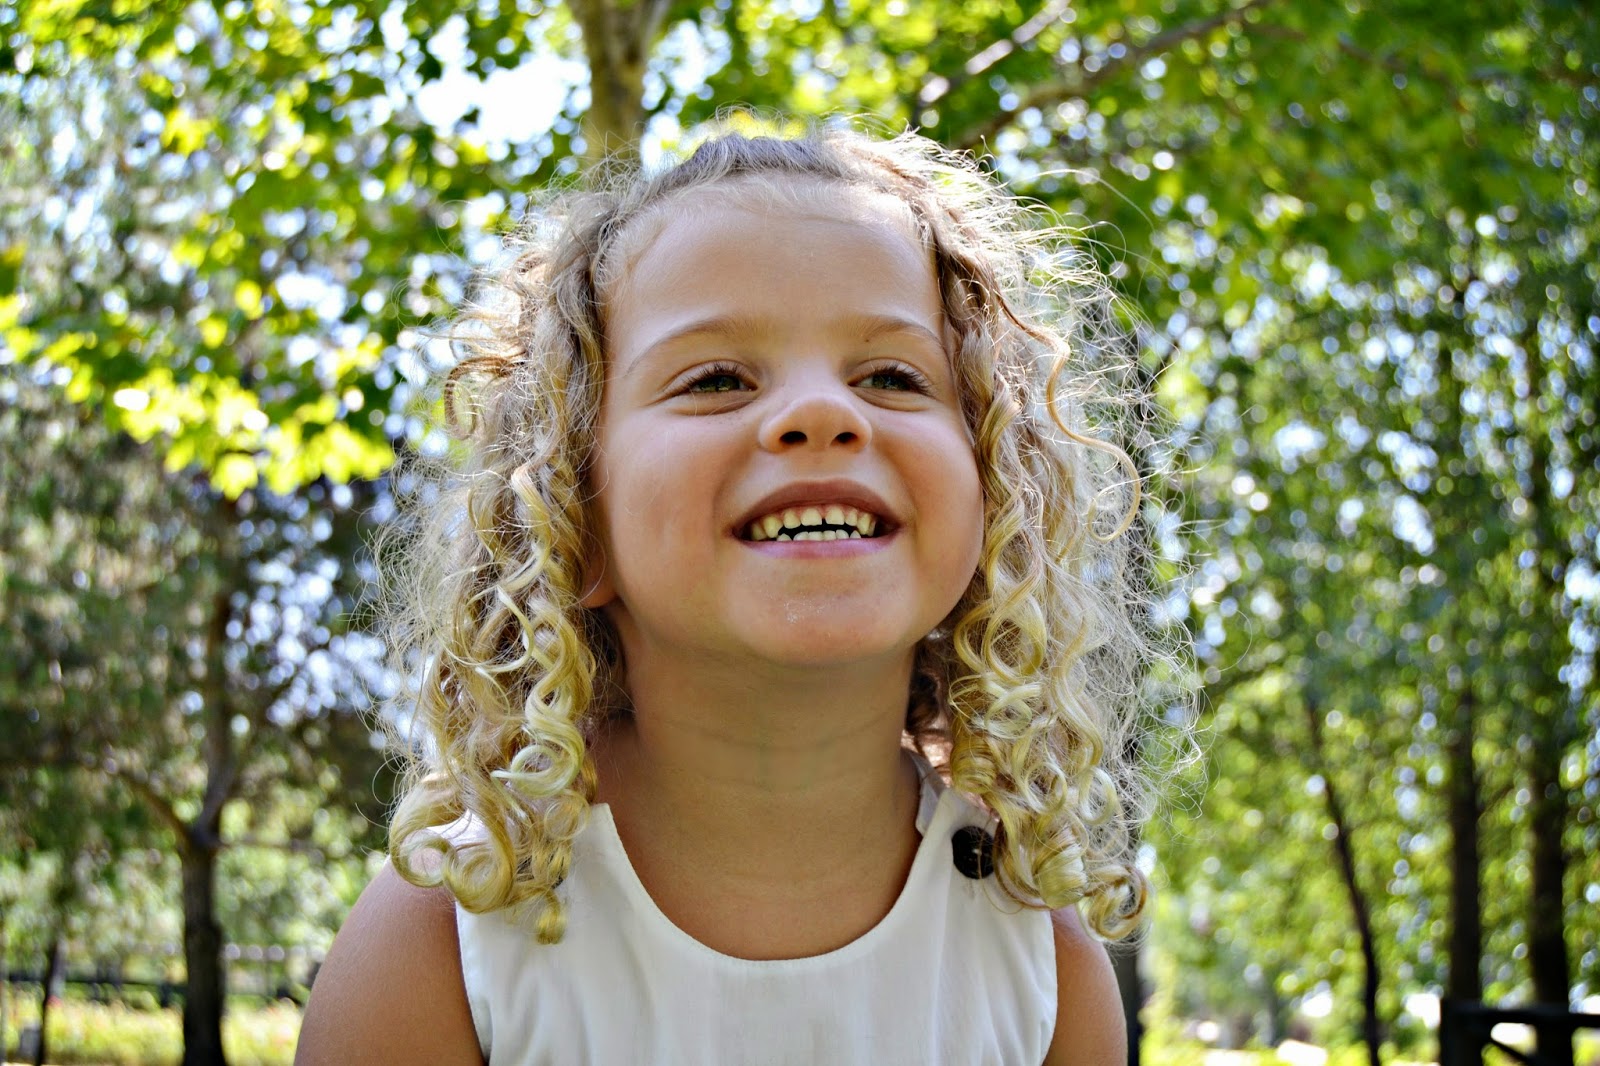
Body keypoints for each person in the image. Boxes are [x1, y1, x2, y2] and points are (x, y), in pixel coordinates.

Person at [296, 117, 1174, 1065]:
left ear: (993, 494)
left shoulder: (1041, 968)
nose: (820, 414)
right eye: (716, 379)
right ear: (570, 518)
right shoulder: (449, 937)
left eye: (889, 375)